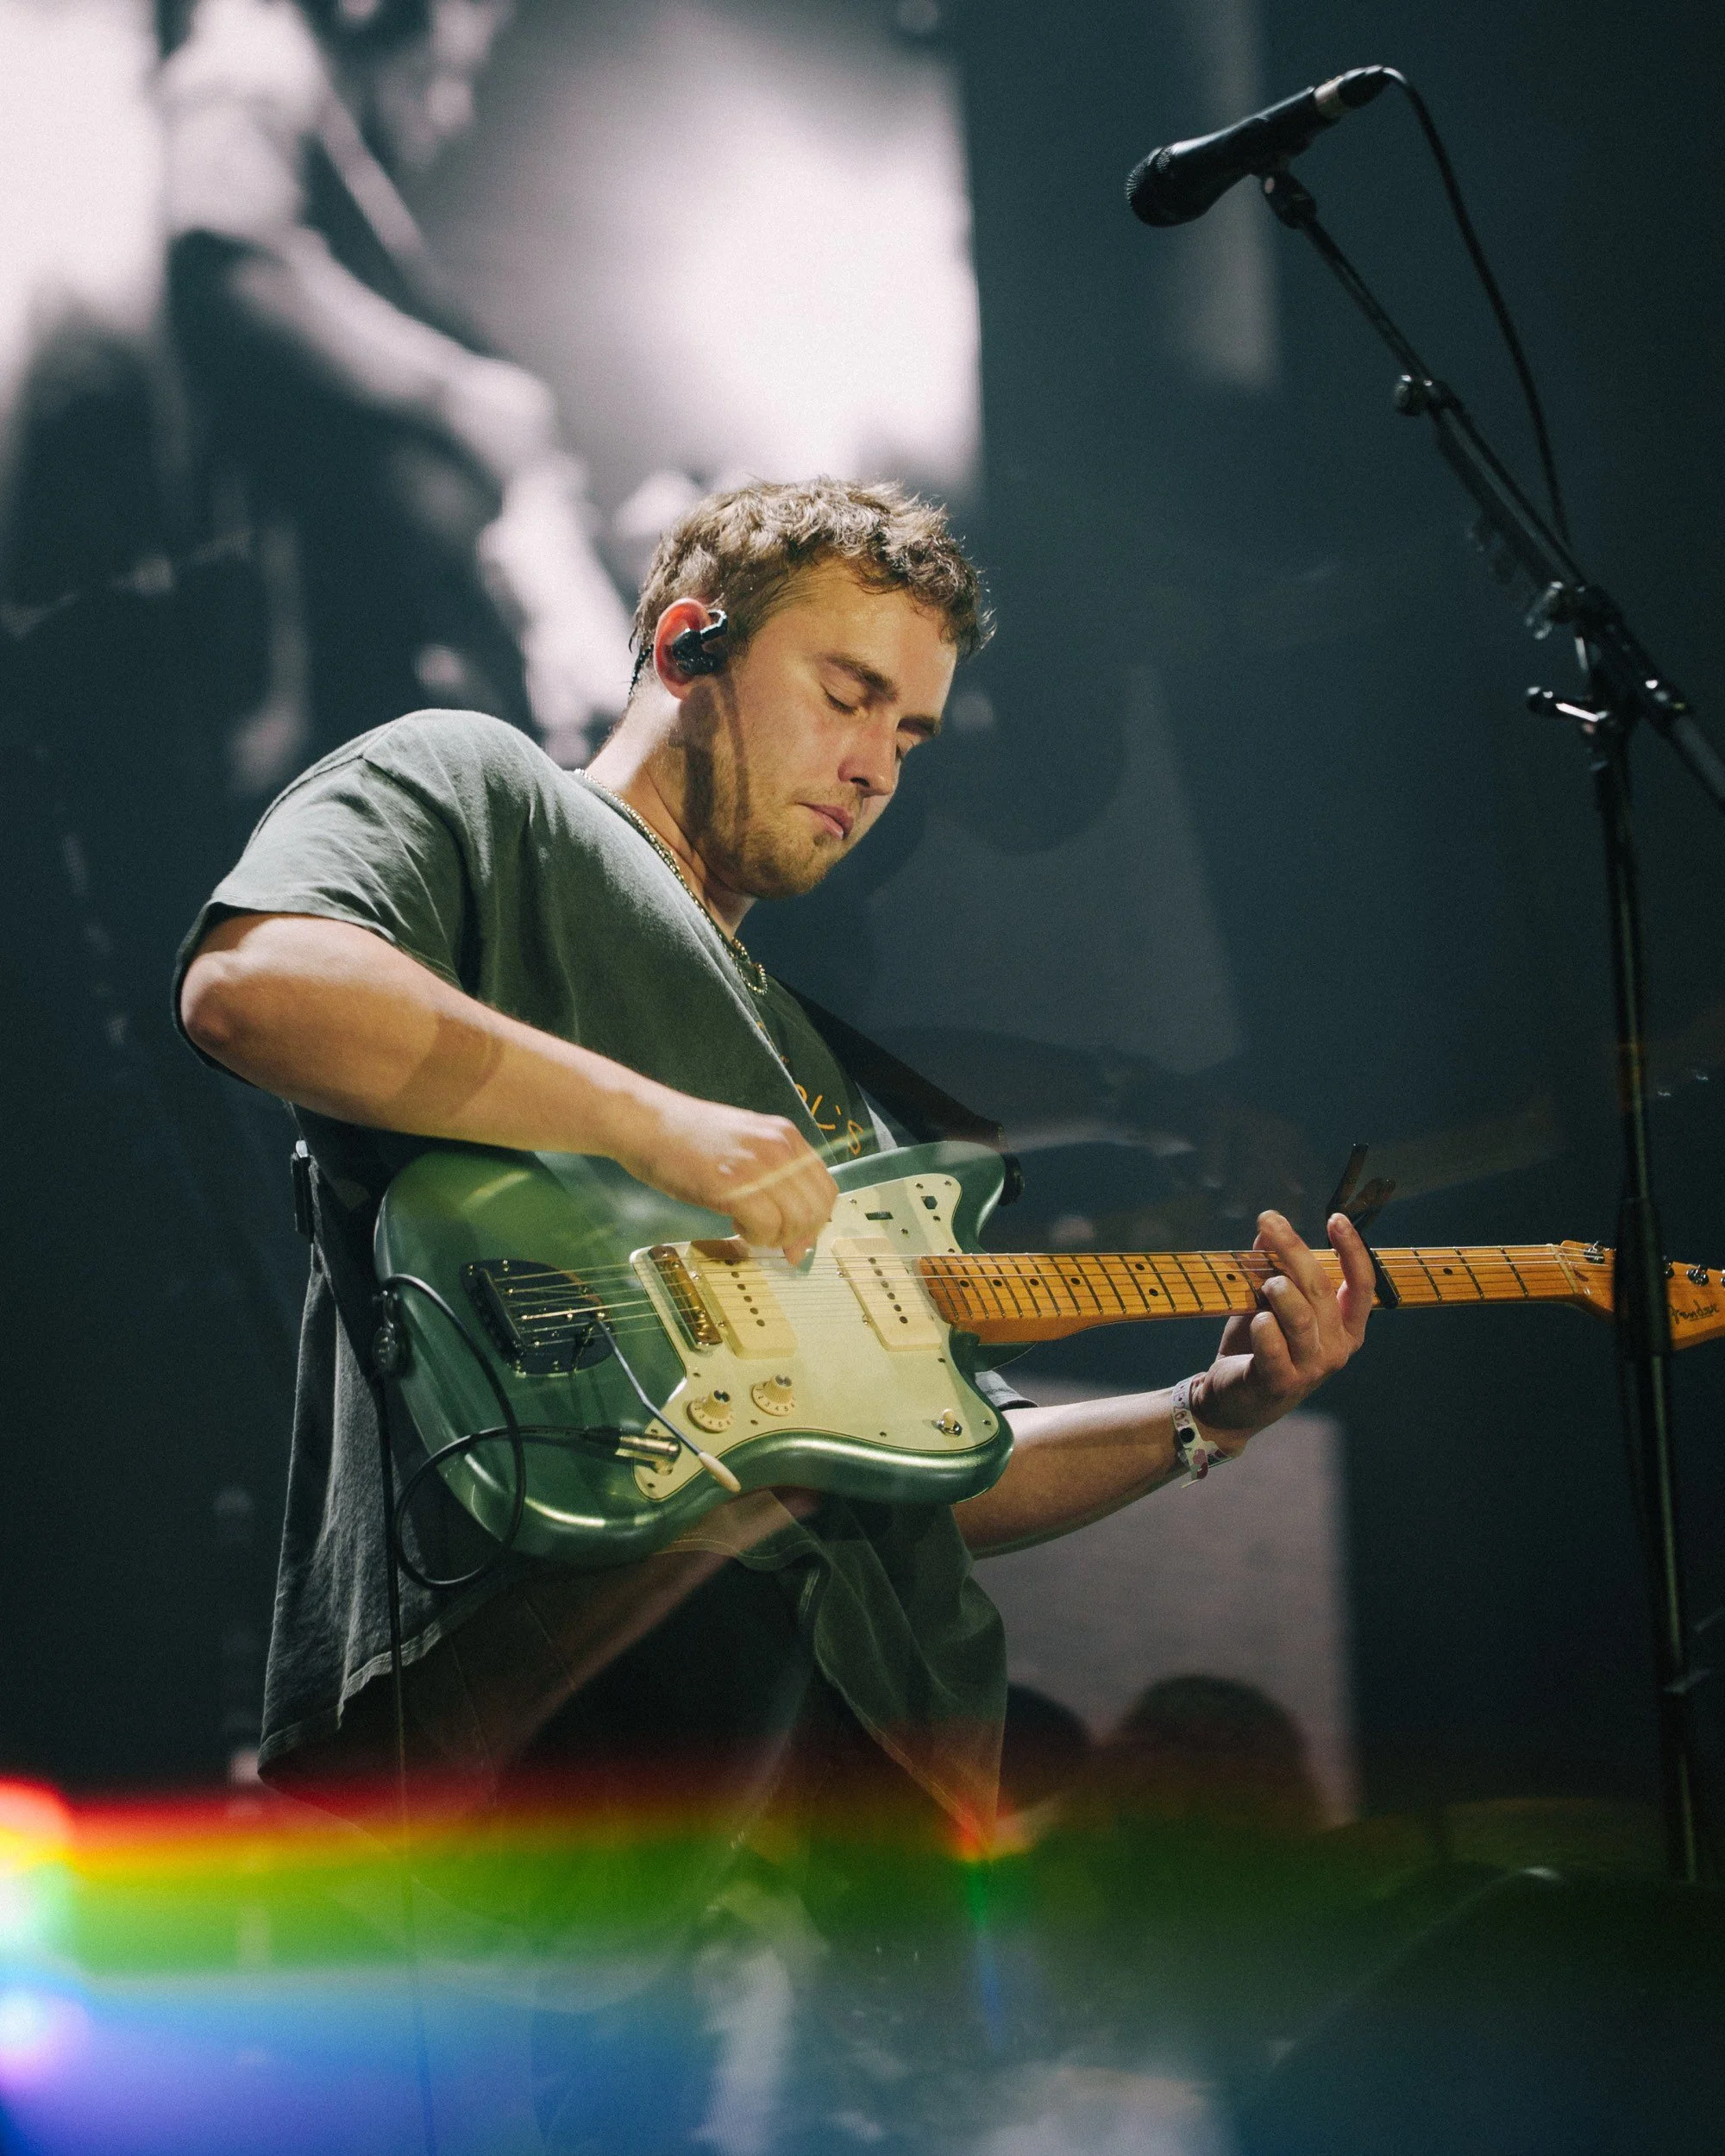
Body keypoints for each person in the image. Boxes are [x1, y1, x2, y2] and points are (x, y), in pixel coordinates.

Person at [175, 476, 1371, 2133]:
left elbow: (927, 1478)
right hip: (553, 1778)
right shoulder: (483, 793)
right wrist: (653, 1123)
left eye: (919, 732)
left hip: (861, 1864)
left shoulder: (831, 1097)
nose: (881, 763)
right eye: (848, 693)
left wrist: (1204, 1421)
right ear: (688, 647)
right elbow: (257, 989)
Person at [158, 0, 631, 787]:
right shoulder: (258, 61)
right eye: (439, 73)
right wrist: (457, 395)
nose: (453, 111)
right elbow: (243, 269)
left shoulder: (327, 144)